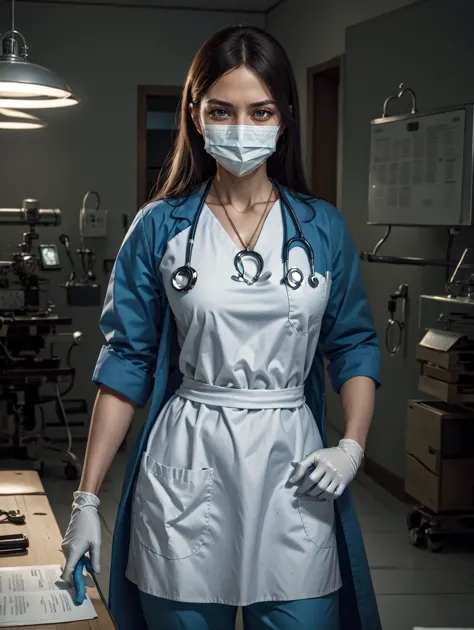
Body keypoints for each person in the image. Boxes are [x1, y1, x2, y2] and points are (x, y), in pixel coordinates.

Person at [60, 25, 381, 630]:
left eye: (259, 110)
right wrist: (86, 499)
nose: (241, 127)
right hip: (189, 455)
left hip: (294, 466)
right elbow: (125, 360)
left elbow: (355, 344)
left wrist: (352, 447)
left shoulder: (321, 229)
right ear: (196, 114)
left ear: (284, 116)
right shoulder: (161, 227)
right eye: (222, 110)